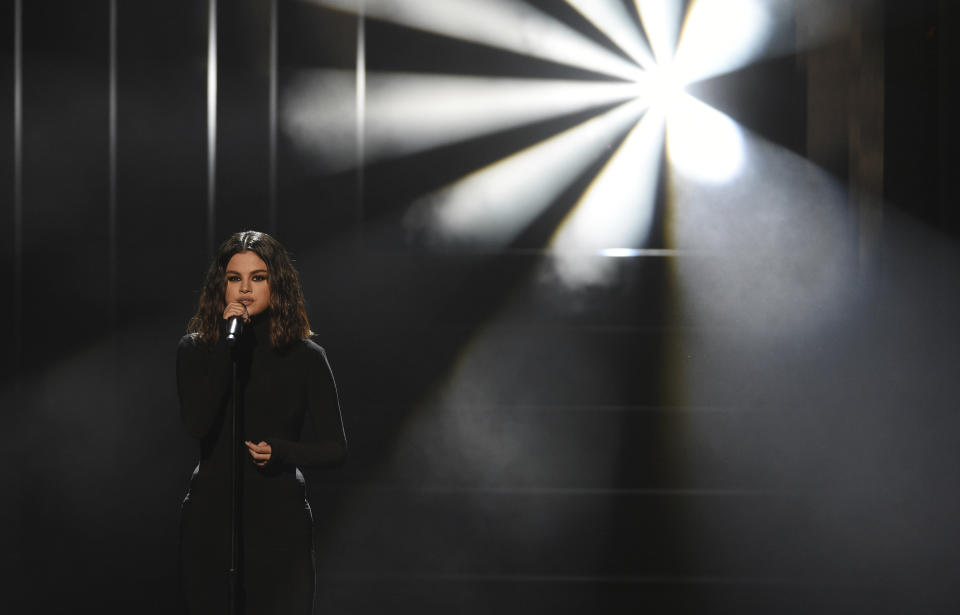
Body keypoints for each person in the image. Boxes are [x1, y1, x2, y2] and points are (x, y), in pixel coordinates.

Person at [176, 230, 346, 614]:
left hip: (279, 519)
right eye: (235, 278)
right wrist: (224, 346)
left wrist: (283, 452)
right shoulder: (196, 349)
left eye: (258, 277)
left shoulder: (306, 356)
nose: (245, 290)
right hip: (211, 519)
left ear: (277, 283)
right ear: (222, 285)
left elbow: (336, 448)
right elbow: (197, 424)